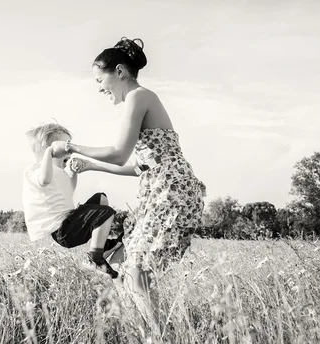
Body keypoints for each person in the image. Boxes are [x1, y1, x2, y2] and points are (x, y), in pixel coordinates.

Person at [51, 37, 206, 323]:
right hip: (162, 191)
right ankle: (142, 334)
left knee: (136, 271)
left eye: (100, 79)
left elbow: (119, 154)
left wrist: (71, 147)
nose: (99, 87)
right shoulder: (139, 100)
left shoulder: (138, 97)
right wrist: (91, 166)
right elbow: (138, 167)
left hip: (171, 193)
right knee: (126, 266)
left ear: (119, 71)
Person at [22, 123, 123, 278]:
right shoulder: (36, 170)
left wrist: (74, 172)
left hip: (70, 221)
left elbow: (70, 189)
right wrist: (49, 154)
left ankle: (100, 247)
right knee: (105, 213)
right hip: (63, 230)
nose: (68, 150)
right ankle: (95, 259)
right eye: (65, 147)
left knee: (101, 198)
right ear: (50, 149)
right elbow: (44, 180)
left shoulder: (59, 172)